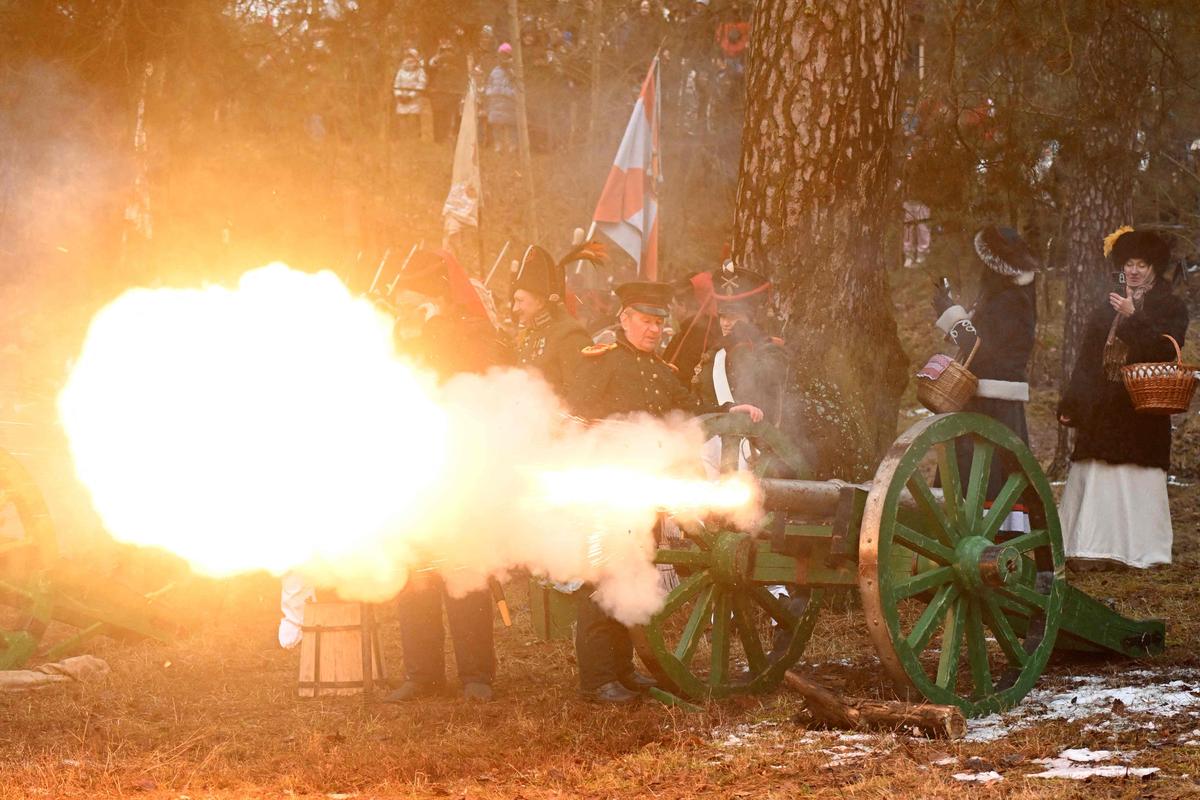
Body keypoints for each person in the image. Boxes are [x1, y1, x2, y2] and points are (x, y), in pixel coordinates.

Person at [564, 280, 763, 704]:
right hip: (609, 492)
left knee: (633, 579)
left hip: (648, 496)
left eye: (659, 323)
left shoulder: (660, 370)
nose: (653, 330)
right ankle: (597, 679)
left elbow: (690, 410)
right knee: (602, 581)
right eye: (645, 321)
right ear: (624, 319)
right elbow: (575, 420)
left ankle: (622, 670)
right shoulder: (602, 363)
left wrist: (730, 411)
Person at [384, 250, 509, 703]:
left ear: (434, 302)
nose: (404, 314)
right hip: (412, 476)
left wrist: (436, 328)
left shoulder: (468, 332)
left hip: (463, 474)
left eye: (413, 304)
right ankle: (422, 674)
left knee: (465, 577)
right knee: (416, 579)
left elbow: (477, 379)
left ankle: (476, 674)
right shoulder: (399, 340)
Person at [1057, 227, 1189, 569]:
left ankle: (1138, 552)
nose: (1133, 270)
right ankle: (1089, 547)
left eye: (1141, 264)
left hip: (1142, 409)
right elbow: (1087, 359)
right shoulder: (1106, 305)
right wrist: (1072, 402)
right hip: (1104, 408)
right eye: (1129, 263)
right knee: (1097, 472)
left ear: (1154, 268)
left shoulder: (1171, 307)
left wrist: (1134, 318)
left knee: (1135, 478)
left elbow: (1163, 351)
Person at [931, 225, 1038, 535]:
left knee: (988, 476)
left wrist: (950, 312)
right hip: (984, 401)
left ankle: (991, 539)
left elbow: (981, 348)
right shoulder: (1005, 297)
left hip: (994, 406)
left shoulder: (1011, 300)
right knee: (973, 473)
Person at [511, 243, 595, 394]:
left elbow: (580, 394)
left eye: (520, 301)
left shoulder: (570, 336)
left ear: (540, 302)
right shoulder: (532, 331)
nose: (514, 308)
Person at [662, 271, 718, 383]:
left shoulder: (695, 336)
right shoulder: (705, 330)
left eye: (673, 305)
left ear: (683, 306)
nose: (671, 310)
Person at [485, 44, 518, 153]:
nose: (503, 59)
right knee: (496, 125)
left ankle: (512, 145)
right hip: (496, 102)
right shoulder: (494, 71)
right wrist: (490, 93)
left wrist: (507, 93)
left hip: (509, 102)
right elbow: (489, 84)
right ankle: (498, 144)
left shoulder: (513, 72)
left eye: (506, 56)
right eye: (501, 56)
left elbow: (517, 88)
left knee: (511, 125)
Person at [392, 50, 427, 140]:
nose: (409, 59)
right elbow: (396, 83)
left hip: (414, 101)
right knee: (402, 121)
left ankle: (414, 140)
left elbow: (421, 84)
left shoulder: (420, 71)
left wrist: (411, 96)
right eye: (407, 56)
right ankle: (403, 140)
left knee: (414, 121)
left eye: (411, 57)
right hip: (401, 99)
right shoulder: (401, 71)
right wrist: (399, 95)